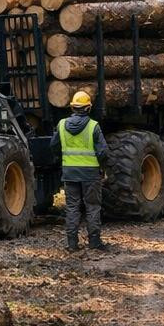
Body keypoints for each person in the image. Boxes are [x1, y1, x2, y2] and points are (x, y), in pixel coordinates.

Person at [50, 90, 110, 251]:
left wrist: (62, 160)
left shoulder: (61, 125)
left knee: (72, 207)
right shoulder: (93, 126)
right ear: (88, 108)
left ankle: (72, 244)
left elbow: (54, 146)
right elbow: (103, 152)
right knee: (92, 206)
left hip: (69, 173)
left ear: (72, 108)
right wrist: (102, 166)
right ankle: (94, 242)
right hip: (90, 174)